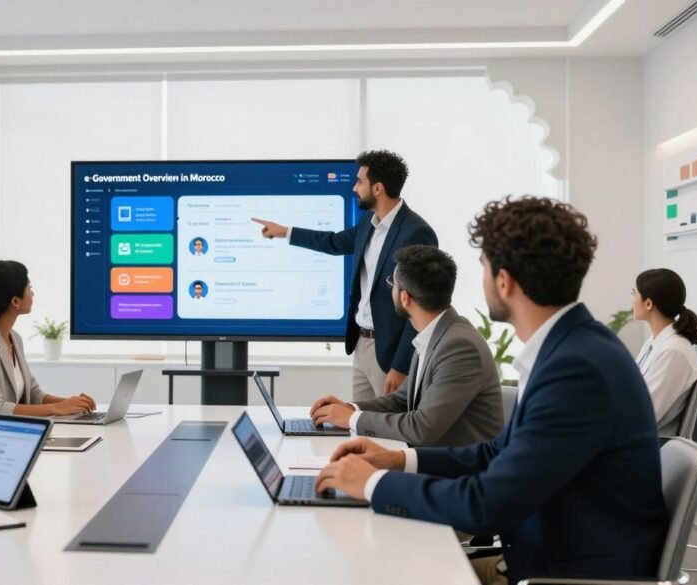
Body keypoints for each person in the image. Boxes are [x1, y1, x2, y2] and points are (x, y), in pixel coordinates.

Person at [314, 197, 667, 585]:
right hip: (540, 559)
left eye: (482, 267)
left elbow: (487, 505)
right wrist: (397, 462)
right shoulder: (573, 348)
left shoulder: (576, 370)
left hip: (562, 575)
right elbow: (494, 453)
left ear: (504, 281)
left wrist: (370, 483)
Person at [253, 150, 437, 401]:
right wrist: (285, 231)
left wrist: (401, 364)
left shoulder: (416, 233)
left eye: (360, 181)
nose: (354, 187)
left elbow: (423, 304)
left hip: (389, 352)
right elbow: (333, 242)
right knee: (359, 424)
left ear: (378, 188)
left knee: (390, 430)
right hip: (361, 343)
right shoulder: (368, 223)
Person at [309, 245, 503, 446]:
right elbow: (400, 401)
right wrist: (351, 409)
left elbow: (420, 428)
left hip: (457, 472)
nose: (391, 288)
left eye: (392, 283)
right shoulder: (436, 333)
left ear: (405, 297)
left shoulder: (459, 347)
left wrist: (349, 420)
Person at [0, 260, 96, 417]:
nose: (33, 293)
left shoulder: (14, 338)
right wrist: (55, 408)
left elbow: (33, 395)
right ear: (15, 301)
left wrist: (72, 404)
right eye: (30, 288)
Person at [631, 268, 697, 434]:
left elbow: (643, 413)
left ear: (648, 303)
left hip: (649, 447)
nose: (632, 300)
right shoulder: (654, 343)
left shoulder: (674, 350)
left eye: (634, 294)